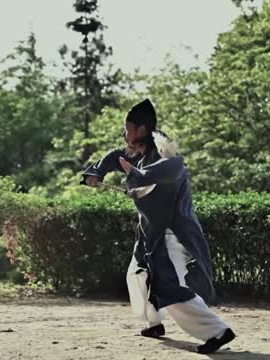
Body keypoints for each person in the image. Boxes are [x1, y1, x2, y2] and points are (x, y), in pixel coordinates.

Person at [80, 99, 236, 354]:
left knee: (168, 287)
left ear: (141, 129)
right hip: (149, 233)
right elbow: (113, 158)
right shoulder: (135, 153)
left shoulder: (165, 153)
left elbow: (174, 169)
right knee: (137, 274)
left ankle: (218, 331)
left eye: (127, 128)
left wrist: (138, 176)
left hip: (170, 233)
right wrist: (95, 173)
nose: (124, 133)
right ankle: (155, 323)